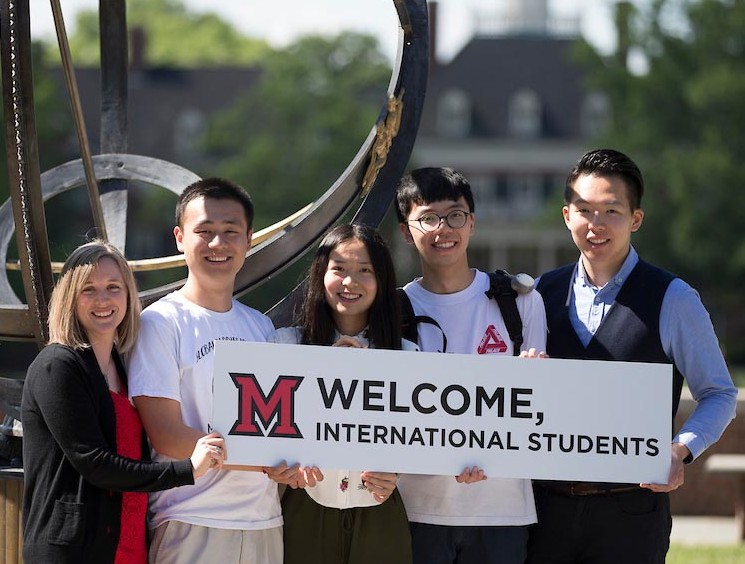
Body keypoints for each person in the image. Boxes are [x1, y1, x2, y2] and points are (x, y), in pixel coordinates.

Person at [527, 148, 738, 564]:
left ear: (636, 219)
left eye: (612, 210)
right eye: (585, 209)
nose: (596, 224)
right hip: (543, 511)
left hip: (630, 515)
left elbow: (719, 393)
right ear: (567, 215)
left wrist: (678, 450)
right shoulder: (537, 296)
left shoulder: (673, 298)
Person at [21, 240, 225, 564]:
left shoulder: (126, 367)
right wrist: (186, 470)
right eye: (88, 289)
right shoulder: (57, 365)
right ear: (70, 298)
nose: (103, 300)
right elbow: (96, 463)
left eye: (113, 287)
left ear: (129, 296)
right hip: (75, 552)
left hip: (128, 546)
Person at [127, 178, 295, 564]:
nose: (217, 244)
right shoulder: (160, 323)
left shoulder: (261, 327)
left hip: (264, 522)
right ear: (179, 238)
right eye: (204, 231)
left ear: (249, 239)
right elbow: (167, 436)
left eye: (230, 232)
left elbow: (282, 427)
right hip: (190, 520)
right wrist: (260, 459)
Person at [394, 167, 548, 564]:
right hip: (416, 509)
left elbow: (535, 412)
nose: (444, 229)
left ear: (472, 223)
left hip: (502, 511)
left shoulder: (519, 300)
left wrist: (540, 378)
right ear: (405, 231)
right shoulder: (393, 310)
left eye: (455, 215)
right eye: (428, 218)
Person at [271, 223, 413, 564]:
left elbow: (424, 438)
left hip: (380, 510)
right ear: (321, 275)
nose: (350, 282)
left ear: (381, 280)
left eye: (365, 270)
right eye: (339, 269)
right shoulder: (283, 346)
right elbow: (265, 431)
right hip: (303, 503)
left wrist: (396, 470)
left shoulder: (410, 357)